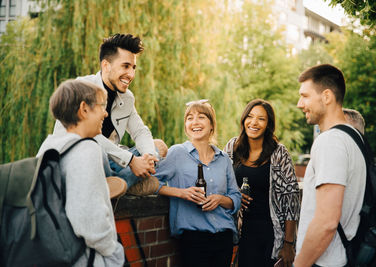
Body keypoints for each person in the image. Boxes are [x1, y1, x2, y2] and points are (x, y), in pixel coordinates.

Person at [53, 33, 164, 195]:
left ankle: (115, 185)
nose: (131, 75)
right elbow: (86, 136)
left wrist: (148, 157)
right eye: (125, 66)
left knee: (158, 147)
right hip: (76, 160)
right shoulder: (81, 88)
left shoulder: (126, 98)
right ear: (106, 66)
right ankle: (124, 184)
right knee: (95, 151)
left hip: (111, 162)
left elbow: (140, 131)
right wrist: (131, 161)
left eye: (133, 68)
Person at [37, 80, 124, 266]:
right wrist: (114, 251)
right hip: (86, 258)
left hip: (53, 254)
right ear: (84, 109)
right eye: (102, 106)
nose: (106, 113)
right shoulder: (87, 149)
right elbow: (88, 218)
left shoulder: (48, 147)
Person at [154, 100, 242, 267]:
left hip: (224, 237)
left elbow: (236, 197)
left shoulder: (223, 159)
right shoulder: (177, 153)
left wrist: (219, 199)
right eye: (189, 118)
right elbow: (151, 183)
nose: (194, 122)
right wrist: (181, 193)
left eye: (201, 117)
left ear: (211, 125)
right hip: (193, 238)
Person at [294, 64, 366, 267]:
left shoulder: (331, 141)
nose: (300, 104)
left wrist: (299, 264)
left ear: (326, 96)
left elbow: (326, 222)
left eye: (305, 96)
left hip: (325, 262)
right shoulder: (353, 138)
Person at [224, 99, 300, 267]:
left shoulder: (279, 153)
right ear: (244, 120)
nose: (254, 122)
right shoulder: (232, 147)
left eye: (261, 118)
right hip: (241, 232)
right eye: (250, 116)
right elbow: (222, 184)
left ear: (268, 124)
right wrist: (235, 194)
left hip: (271, 233)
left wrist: (288, 243)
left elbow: (291, 200)